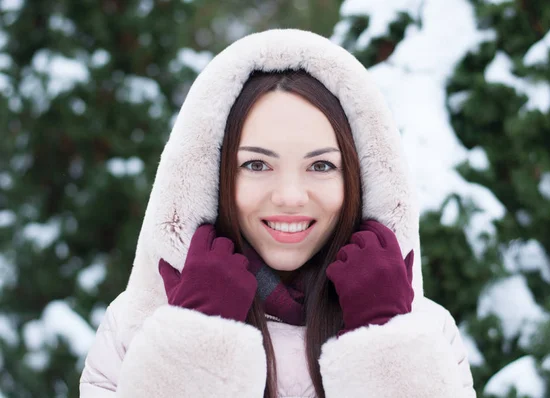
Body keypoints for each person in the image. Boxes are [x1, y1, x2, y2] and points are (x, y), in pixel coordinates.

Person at [80, 29, 475, 398]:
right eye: (256, 165)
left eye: (320, 166)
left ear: (359, 177)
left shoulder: (425, 332)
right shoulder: (136, 327)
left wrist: (387, 336)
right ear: (213, 175)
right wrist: (195, 337)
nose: (290, 196)